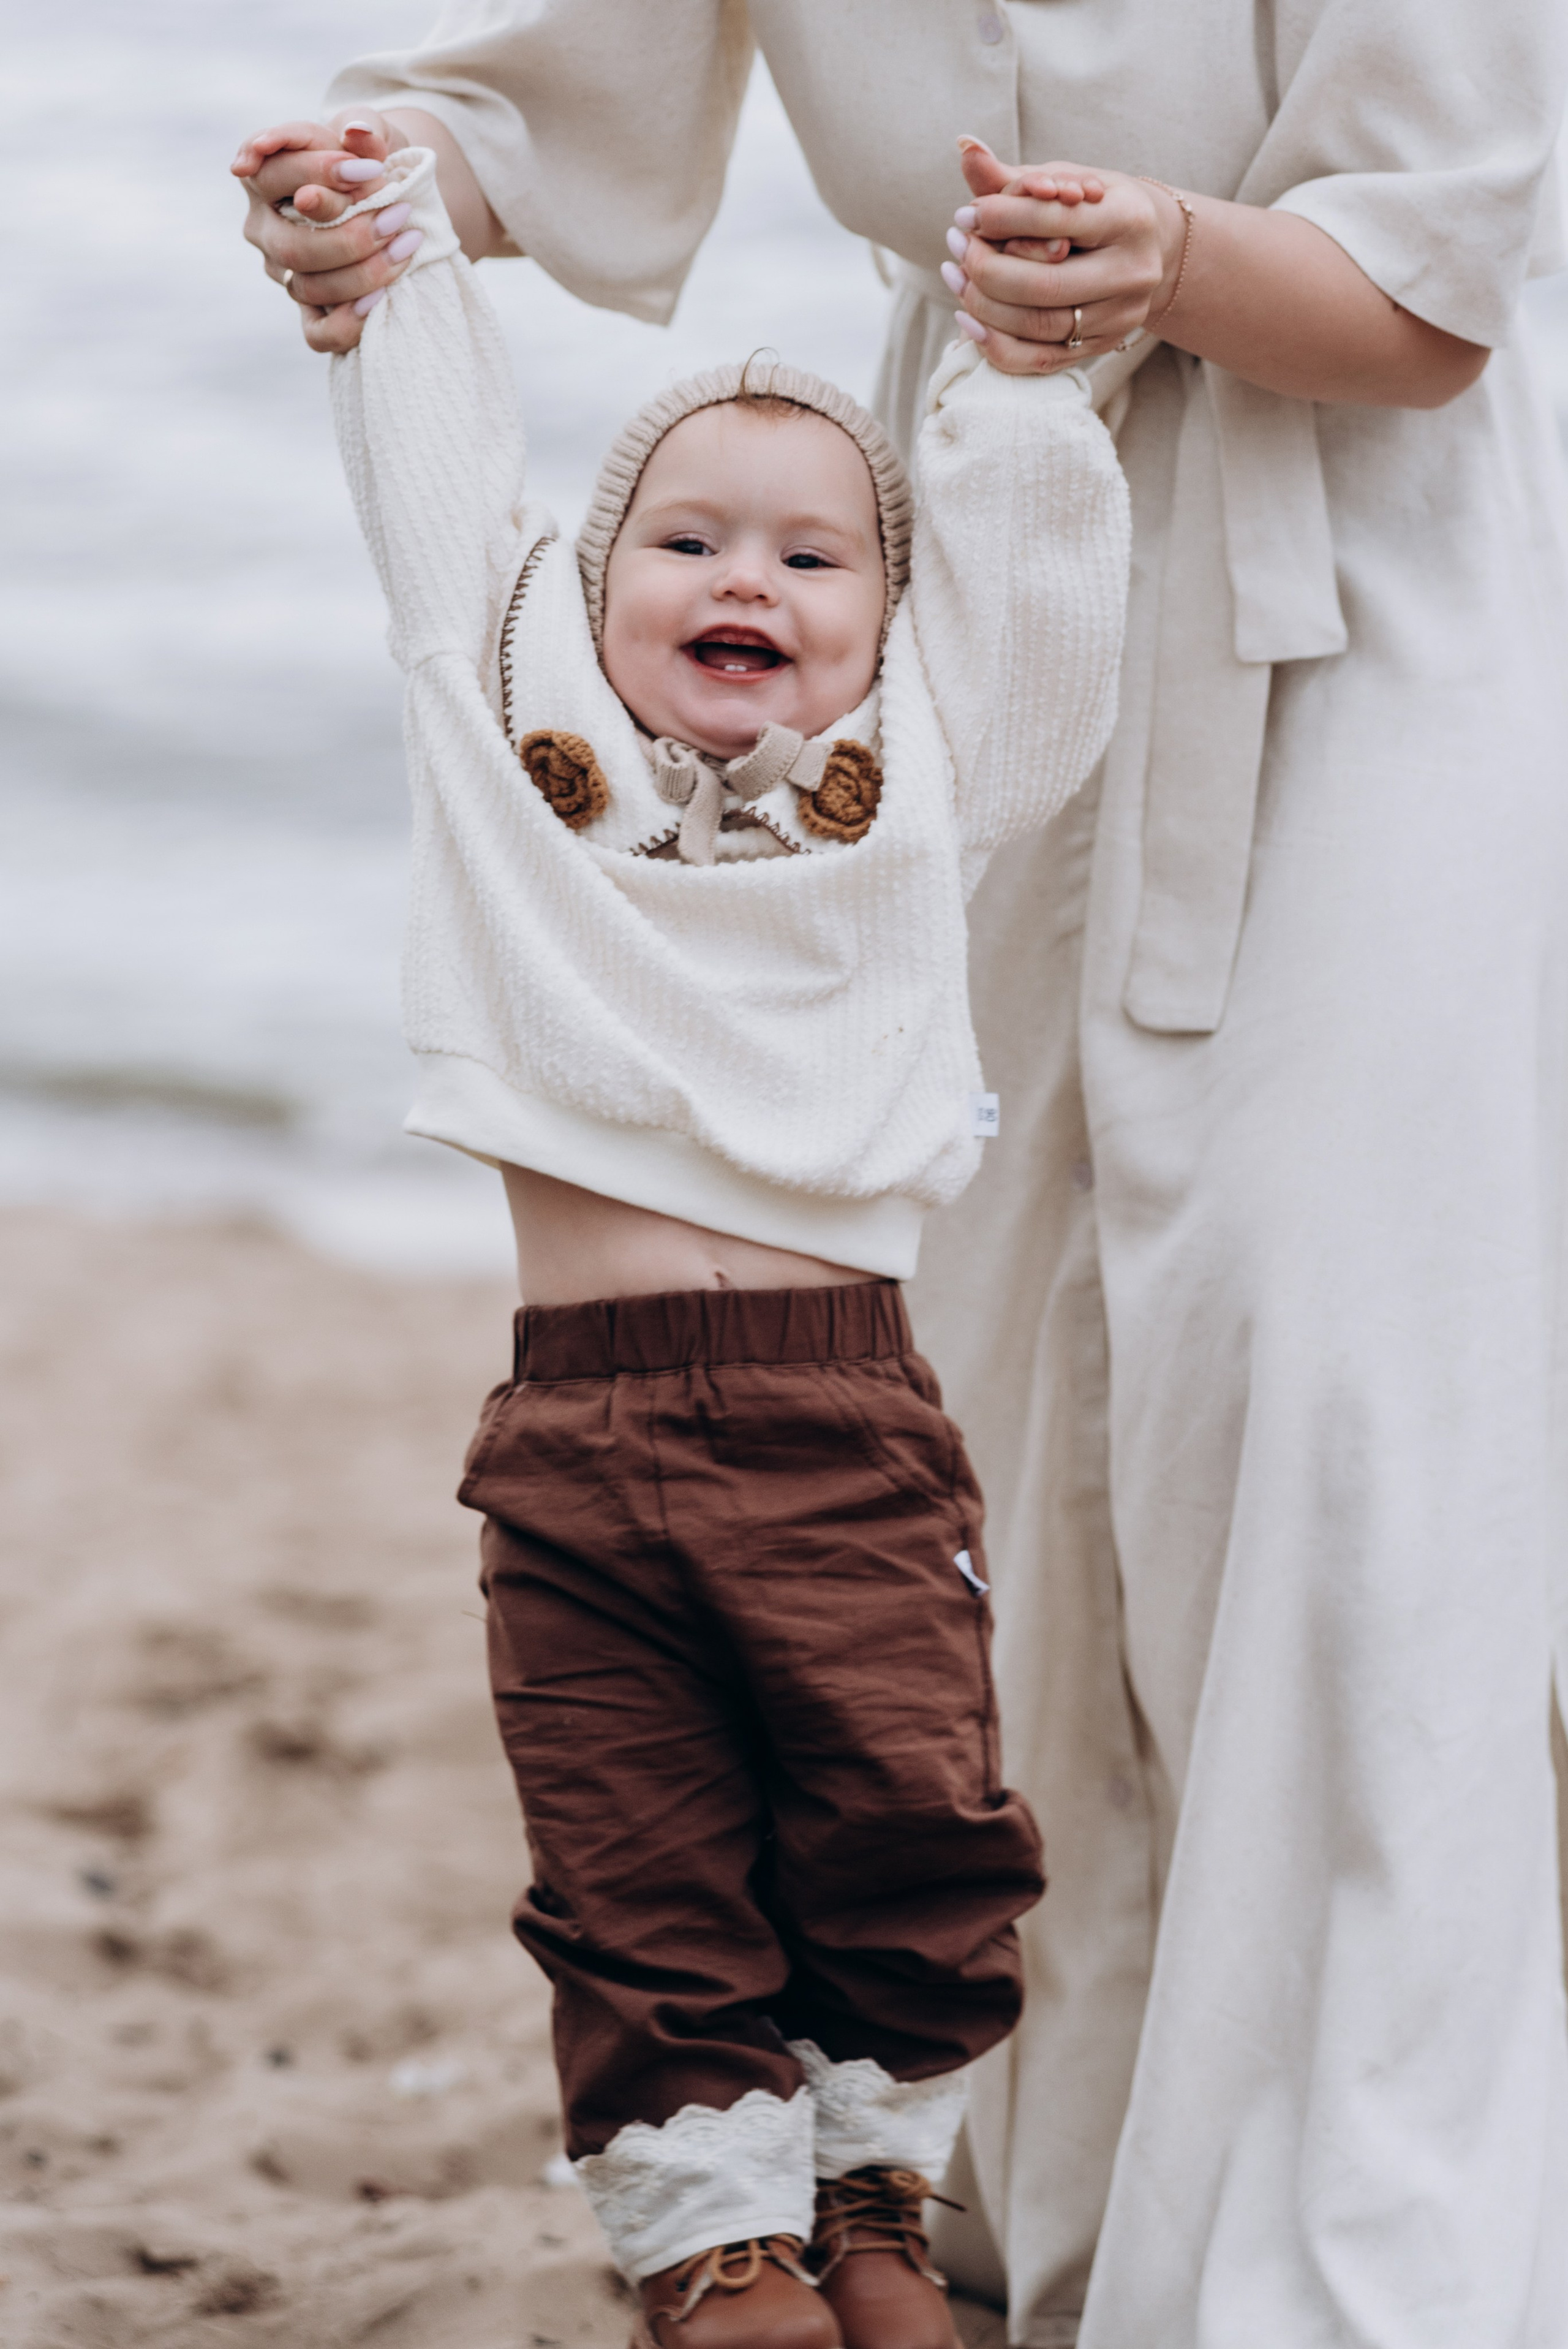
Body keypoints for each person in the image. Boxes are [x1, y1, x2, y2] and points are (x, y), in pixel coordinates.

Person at [234, 9, 1568, 2341]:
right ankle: (1003, 2176)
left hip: (1362, 573)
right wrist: (379, 192)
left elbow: (1432, 293)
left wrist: (1159, 264)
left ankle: (1363, 2252)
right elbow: (546, 105)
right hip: (953, 559)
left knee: (1334, 1402)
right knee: (1009, 1421)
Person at [273, 121, 1133, 2349]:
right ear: (590, 586)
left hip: (847, 1428)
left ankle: (870, 2184)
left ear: (886, 621)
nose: (747, 576)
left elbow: (1040, 626)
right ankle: (723, 2251)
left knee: (909, 1841)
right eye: (685, 537)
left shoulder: (920, 800)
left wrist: (1024, 388)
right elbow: (437, 503)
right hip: (577, 1444)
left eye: (816, 555)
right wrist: (392, 259)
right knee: (640, 1880)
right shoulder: (508, 762)